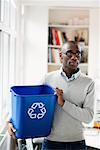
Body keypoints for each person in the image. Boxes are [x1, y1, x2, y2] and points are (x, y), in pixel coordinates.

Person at [7, 41, 95, 150]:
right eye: (69, 53)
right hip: (51, 143)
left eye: (78, 54)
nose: (74, 57)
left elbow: (88, 117)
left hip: (77, 143)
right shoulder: (47, 79)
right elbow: (31, 103)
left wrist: (63, 103)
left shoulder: (89, 83)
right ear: (60, 56)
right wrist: (11, 121)